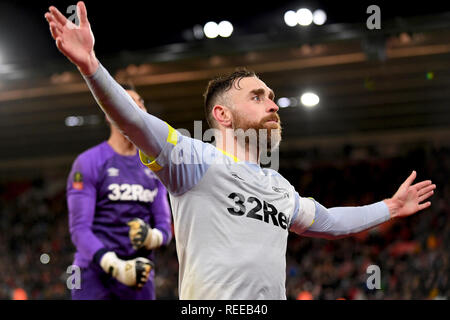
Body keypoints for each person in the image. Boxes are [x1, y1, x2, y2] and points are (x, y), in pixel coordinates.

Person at [46, 2, 436, 299]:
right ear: (223, 115)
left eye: (272, 96)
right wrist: (91, 66)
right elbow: (135, 122)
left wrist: (391, 207)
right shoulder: (195, 161)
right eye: (257, 96)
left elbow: (331, 222)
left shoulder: (280, 187)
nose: (273, 104)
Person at [66, 80, 173, 300]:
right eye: (127, 102)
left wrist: (151, 236)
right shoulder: (88, 162)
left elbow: (165, 228)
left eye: (140, 103)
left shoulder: (155, 165)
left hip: (139, 274)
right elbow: (79, 229)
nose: (137, 108)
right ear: (109, 113)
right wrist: (115, 266)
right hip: (91, 273)